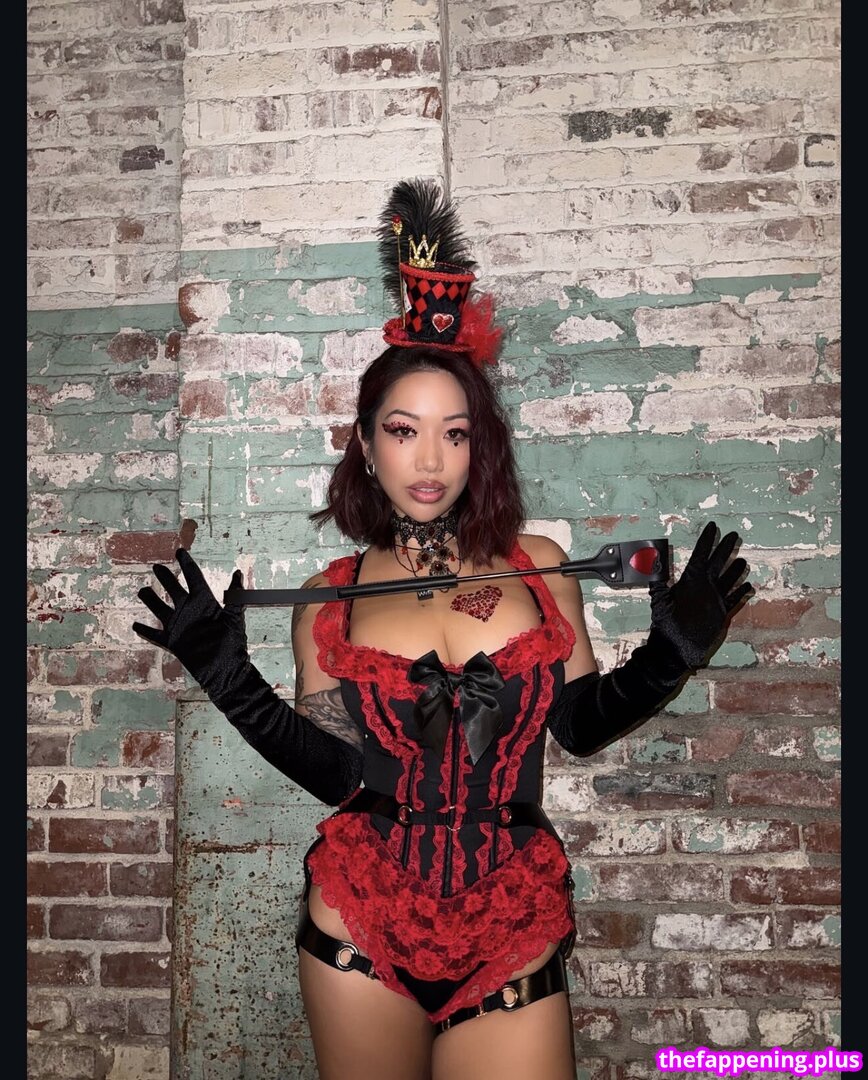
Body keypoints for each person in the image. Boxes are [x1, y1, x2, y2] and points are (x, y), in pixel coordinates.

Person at [133, 180, 753, 1080]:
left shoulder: (539, 564)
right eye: (403, 430)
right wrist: (228, 679)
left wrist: (669, 658)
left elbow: (577, 726)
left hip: (512, 917)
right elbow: (339, 774)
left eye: (454, 434)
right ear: (366, 443)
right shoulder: (331, 598)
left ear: (479, 444)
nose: (429, 460)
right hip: (360, 923)